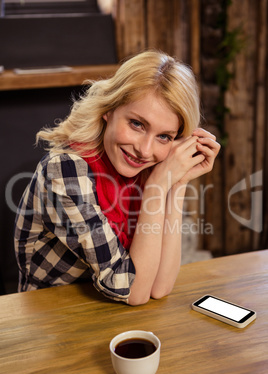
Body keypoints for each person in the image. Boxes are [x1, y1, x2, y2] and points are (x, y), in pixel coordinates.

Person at [14, 50, 220, 305]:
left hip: (109, 314)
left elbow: (160, 285)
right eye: (137, 124)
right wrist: (157, 187)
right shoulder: (65, 171)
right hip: (50, 317)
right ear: (109, 109)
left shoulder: (150, 170)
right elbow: (134, 292)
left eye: (164, 136)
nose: (145, 150)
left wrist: (178, 182)